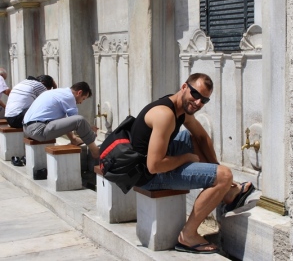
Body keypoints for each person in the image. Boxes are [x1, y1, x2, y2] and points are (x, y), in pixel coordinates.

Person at [130, 73, 254, 254]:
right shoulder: (165, 114)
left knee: (191, 138)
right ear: (184, 87)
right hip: (147, 176)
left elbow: (202, 137)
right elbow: (154, 165)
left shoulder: (180, 108)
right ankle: (187, 235)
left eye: (204, 100)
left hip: (152, 163)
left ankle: (226, 191)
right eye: (195, 94)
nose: (198, 102)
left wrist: (215, 167)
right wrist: (187, 158)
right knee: (225, 175)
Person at [23, 81, 100, 159]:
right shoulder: (69, 97)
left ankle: (74, 140)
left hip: (27, 129)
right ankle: (95, 151)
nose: (81, 102)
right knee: (80, 120)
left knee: (67, 120)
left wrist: (74, 137)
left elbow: (68, 122)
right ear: (79, 93)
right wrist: (90, 130)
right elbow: (77, 121)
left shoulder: (59, 93)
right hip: (38, 129)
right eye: (83, 99)